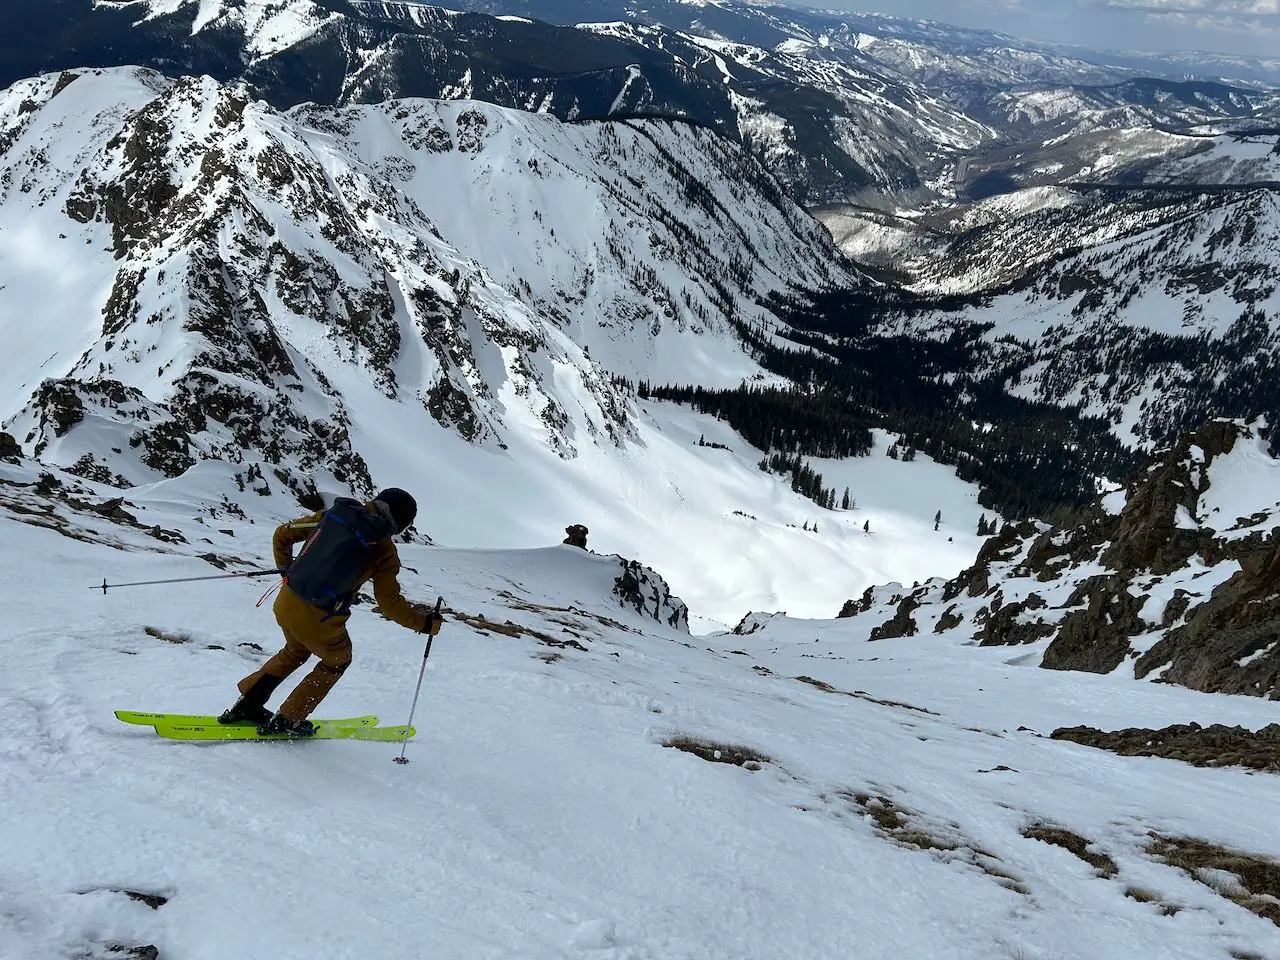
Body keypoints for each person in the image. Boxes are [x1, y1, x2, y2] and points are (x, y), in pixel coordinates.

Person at [219, 488, 443, 737]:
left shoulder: (334, 515)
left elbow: (282, 534)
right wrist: (423, 624)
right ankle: (288, 719)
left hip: (286, 601)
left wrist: (287, 571)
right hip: (320, 617)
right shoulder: (384, 549)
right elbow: (389, 603)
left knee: (294, 650)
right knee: (337, 660)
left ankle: (246, 705)